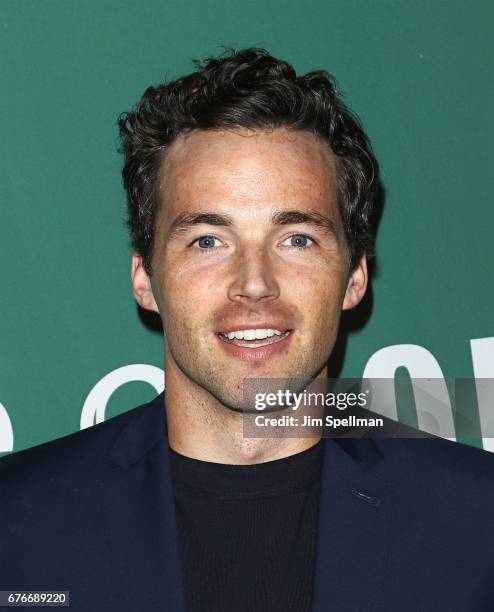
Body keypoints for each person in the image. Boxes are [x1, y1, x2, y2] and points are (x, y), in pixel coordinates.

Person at [1, 47, 493, 612]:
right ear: (145, 277)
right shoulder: (16, 524)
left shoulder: (478, 525)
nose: (254, 284)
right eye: (208, 240)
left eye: (296, 239)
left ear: (355, 275)